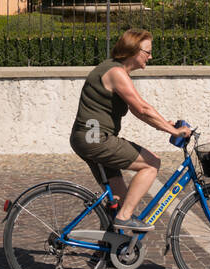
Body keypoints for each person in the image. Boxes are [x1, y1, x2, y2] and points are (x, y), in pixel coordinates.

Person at [69, 28, 193, 230]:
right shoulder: (116, 73)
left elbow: (139, 110)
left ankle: (104, 254)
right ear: (133, 50)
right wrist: (174, 132)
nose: (150, 56)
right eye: (147, 52)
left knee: (119, 198)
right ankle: (125, 218)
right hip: (96, 139)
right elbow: (142, 108)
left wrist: (165, 124)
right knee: (151, 163)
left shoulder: (113, 69)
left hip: (86, 139)